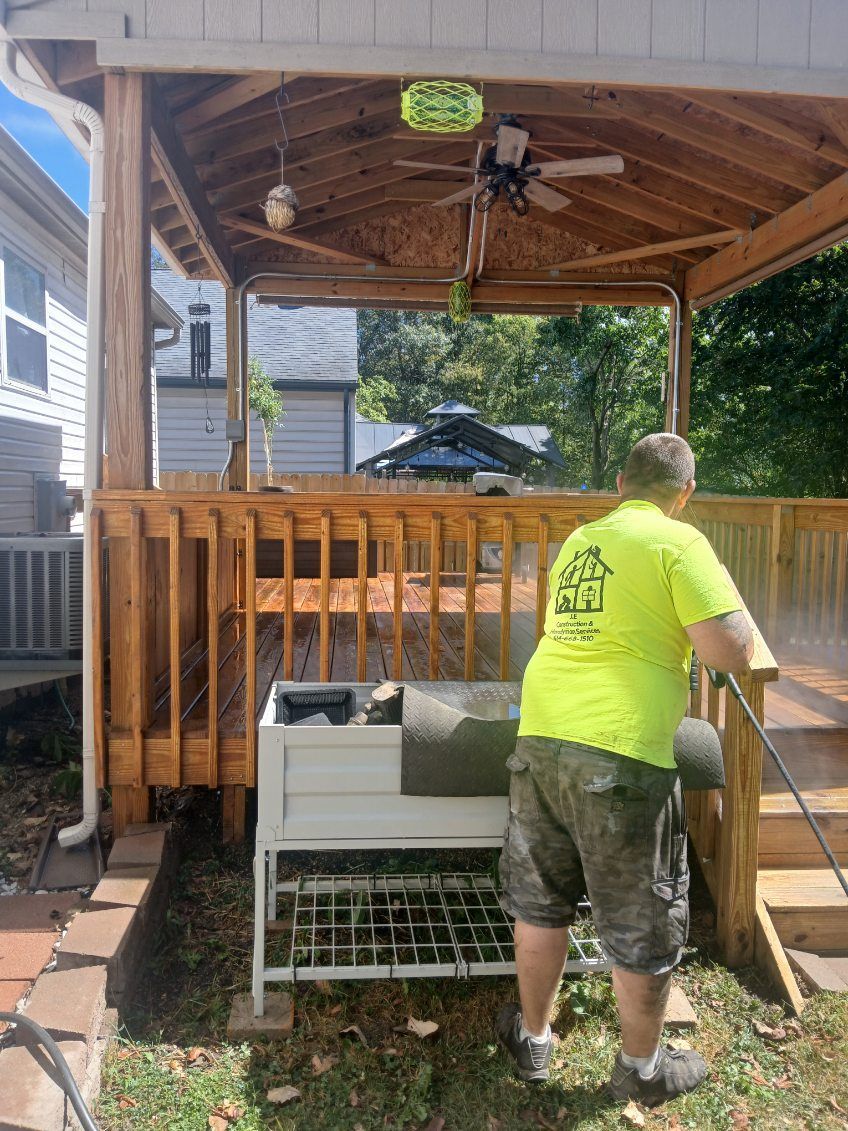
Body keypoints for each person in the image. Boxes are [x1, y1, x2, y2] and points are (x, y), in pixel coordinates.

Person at [496, 433, 753, 1106]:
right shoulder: (679, 541)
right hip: (621, 750)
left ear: (620, 481)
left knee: (541, 899)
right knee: (642, 917)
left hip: (540, 735)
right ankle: (641, 1065)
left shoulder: (583, 540)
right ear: (685, 493)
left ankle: (534, 1039)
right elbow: (730, 649)